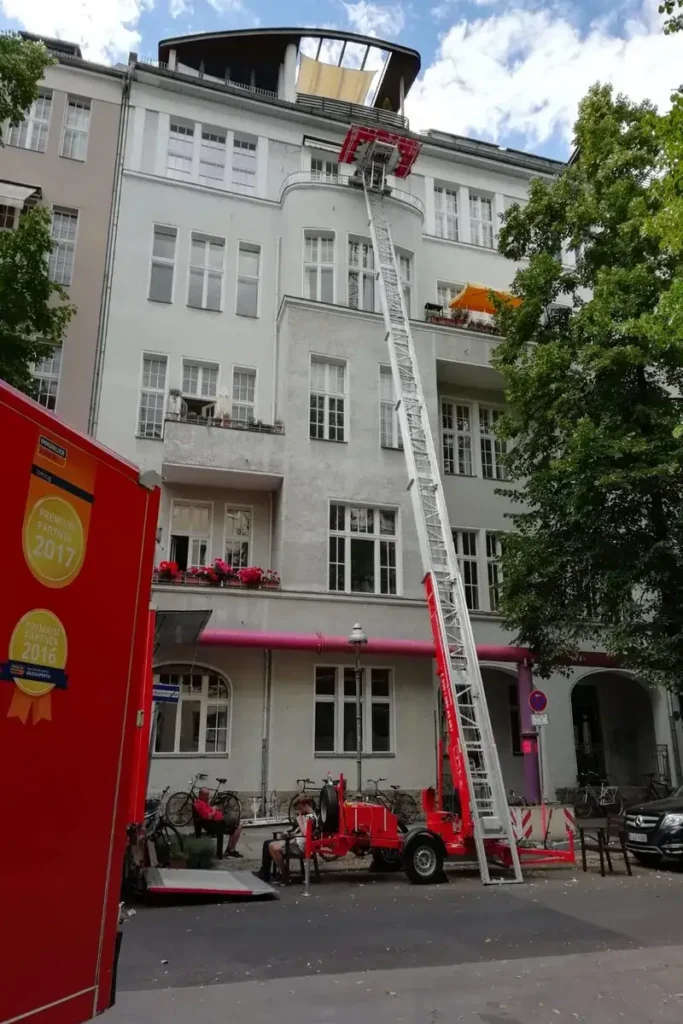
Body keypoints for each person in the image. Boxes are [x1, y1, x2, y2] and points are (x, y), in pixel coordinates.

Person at [254, 795, 314, 885]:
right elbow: (298, 830)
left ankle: (285, 874)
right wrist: (290, 832)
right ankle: (277, 873)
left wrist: (299, 820)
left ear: (305, 805)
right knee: (269, 844)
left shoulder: (310, 818)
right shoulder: (306, 815)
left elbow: (305, 833)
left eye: (300, 809)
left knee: (272, 847)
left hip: (300, 846)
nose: (298, 811)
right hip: (296, 841)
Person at [192, 788, 243, 858]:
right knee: (238, 826)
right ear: (200, 795)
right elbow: (209, 817)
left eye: (208, 795)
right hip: (216, 824)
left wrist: (215, 810)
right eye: (206, 795)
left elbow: (209, 812)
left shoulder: (202, 802)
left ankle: (230, 850)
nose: (208, 797)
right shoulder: (201, 804)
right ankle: (230, 851)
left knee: (237, 825)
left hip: (218, 821)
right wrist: (214, 810)